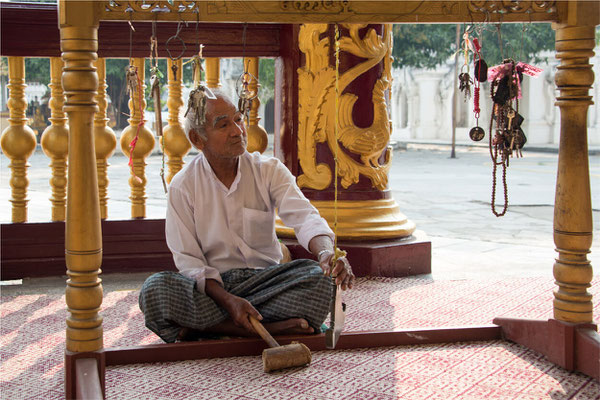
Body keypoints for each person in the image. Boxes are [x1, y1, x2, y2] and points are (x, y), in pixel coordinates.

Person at [139, 89, 355, 343]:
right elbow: (189, 262)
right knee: (155, 290)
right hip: (215, 291)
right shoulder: (183, 186)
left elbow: (305, 217)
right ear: (198, 139)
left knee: (321, 281)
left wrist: (326, 253)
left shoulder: (269, 170)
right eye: (223, 125)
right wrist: (229, 301)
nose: (237, 131)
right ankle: (263, 328)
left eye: (238, 119)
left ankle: (211, 328)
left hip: (268, 281)